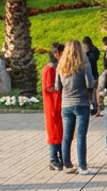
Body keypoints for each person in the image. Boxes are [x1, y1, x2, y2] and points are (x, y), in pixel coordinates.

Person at [57, 39, 95, 174]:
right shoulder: (84, 65)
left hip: (66, 104)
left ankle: (67, 164)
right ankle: (82, 166)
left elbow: (57, 86)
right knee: (80, 135)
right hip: (81, 102)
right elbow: (90, 83)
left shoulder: (61, 66)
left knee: (66, 136)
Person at [41, 44, 64, 167]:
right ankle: (53, 158)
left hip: (60, 104)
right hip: (53, 105)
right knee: (54, 131)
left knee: (61, 132)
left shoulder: (60, 68)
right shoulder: (49, 69)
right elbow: (49, 88)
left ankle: (62, 156)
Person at [81, 36, 101, 115]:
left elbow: (90, 60)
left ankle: (93, 107)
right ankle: (92, 107)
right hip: (93, 73)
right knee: (92, 92)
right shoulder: (94, 51)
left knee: (92, 92)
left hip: (92, 73)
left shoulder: (91, 53)